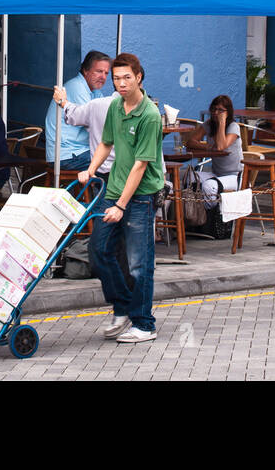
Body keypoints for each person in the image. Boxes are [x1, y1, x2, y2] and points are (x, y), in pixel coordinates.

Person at [77, 53, 164, 344]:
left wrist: (120, 206)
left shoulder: (150, 115)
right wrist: (89, 170)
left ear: (139, 76)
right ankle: (123, 306)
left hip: (138, 198)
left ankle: (144, 323)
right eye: (116, 78)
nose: (121, 83)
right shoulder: (116, 105)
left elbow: (140, 166)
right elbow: (106, 142)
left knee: (139, 263)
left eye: (127, 77)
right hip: (113, 189)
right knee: (99, 251)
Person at [44, 50, 111, 172]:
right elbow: (97, 124)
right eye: (99, 71)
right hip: (67, 154)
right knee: (111, 164)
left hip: (80, 150)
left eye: (106, 73)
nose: (103, 77)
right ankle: (100, 191)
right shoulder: (77, 87)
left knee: (114, 159)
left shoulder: (95, 91)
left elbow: (106, 118)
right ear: (85, 70)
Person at [182, 95, 243, 206]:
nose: (216, 112)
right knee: (189, 177)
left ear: (227, 112)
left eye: (220, 110)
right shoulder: (209, 124)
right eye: (214, 109)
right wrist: (208, 147)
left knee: (209, 186)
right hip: (217, 173)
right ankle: (193, 213)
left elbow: (220, 146)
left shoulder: (233, 127)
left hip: (234, 176)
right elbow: (190, 142)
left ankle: (210, 217)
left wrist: (222, 123)